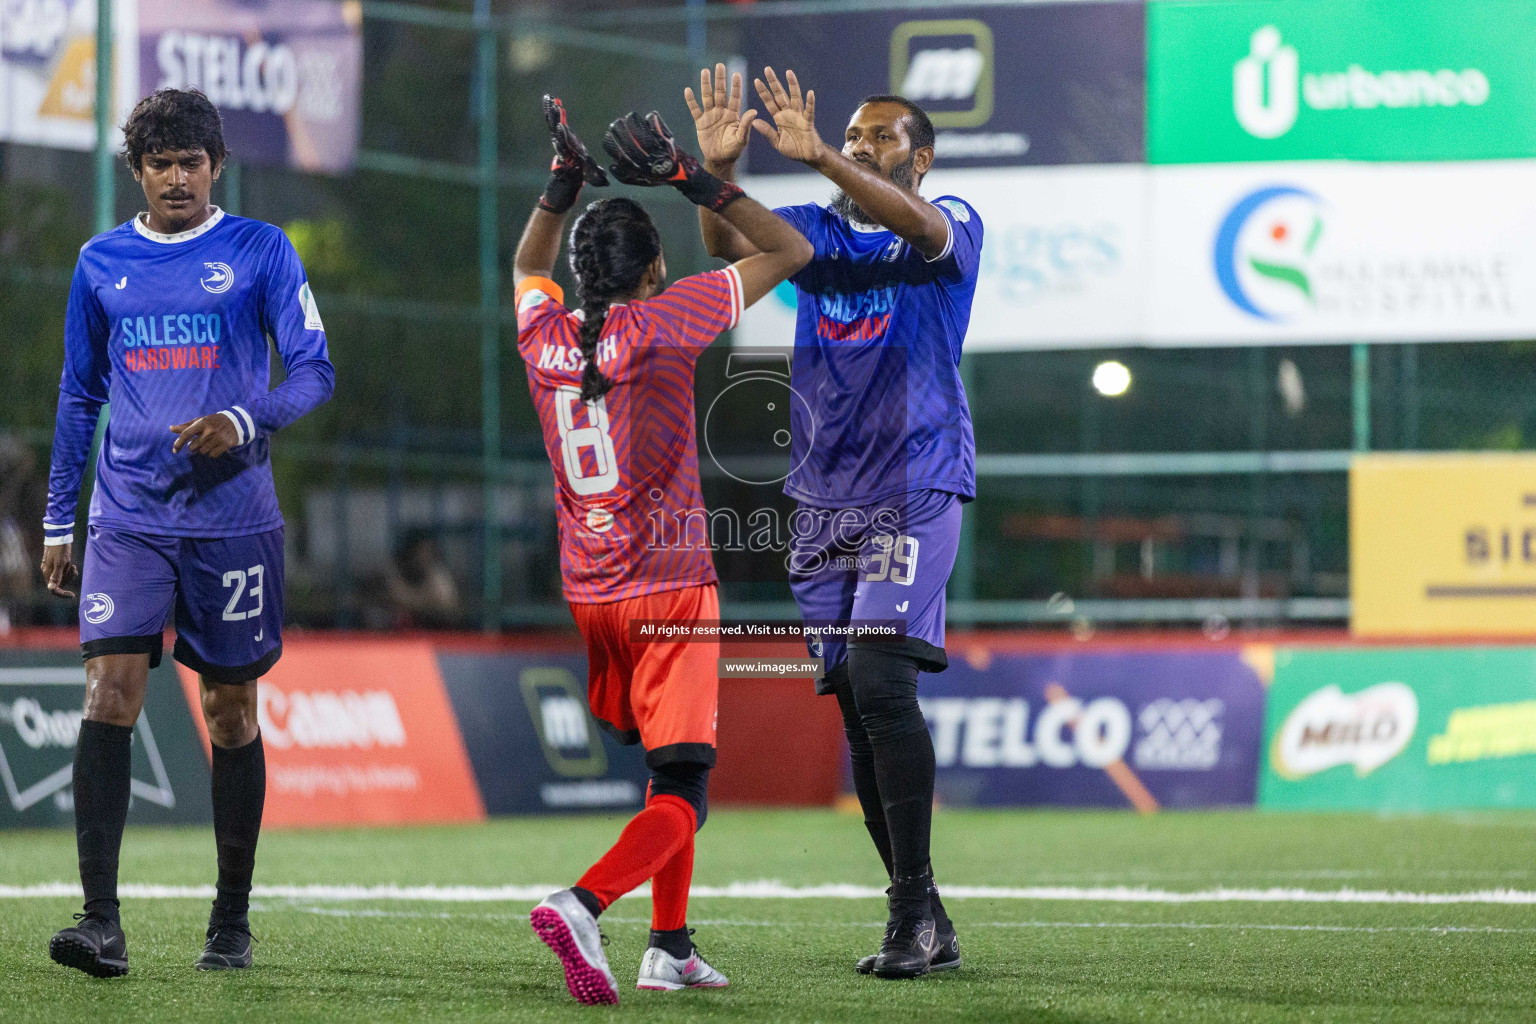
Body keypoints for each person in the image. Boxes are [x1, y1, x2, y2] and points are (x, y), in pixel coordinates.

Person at [688, 65, 982, 978]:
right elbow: (724, 250)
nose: (859, 146)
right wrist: (713, 176)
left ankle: (908, 914)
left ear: (921, 158)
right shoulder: (811, 232)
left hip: (914, 483)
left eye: (878, 138)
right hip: (821, 499)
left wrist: (815, 156)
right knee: (857, 703)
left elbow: (919, 226)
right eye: (850, 138)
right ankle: (925, 915)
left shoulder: (954, 221)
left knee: (883, 682)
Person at [516, 96, 811, 1005]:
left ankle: (670, 945)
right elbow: (789, 251)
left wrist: (559, 187)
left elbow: (528, 261)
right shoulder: (669, 321)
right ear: (651, 269)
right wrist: (694, 176)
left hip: (590, 590)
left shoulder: (543, 336)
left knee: (661, 767)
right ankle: (583, 901)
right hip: (672, 588)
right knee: (685, 783)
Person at [39, 88, 335, 977]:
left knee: (230, 709)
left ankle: (230, 920)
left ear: (217, 167)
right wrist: (60, 516)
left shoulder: (261, 251)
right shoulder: (101, 262)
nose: (178, 177)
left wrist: (245, 420)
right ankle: (100, 922)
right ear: (138, 170)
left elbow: (315, 371)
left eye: (192, 162)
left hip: (233, 520)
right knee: (108, 695)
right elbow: (78, 395)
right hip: (128, 515)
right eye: (161, 163)